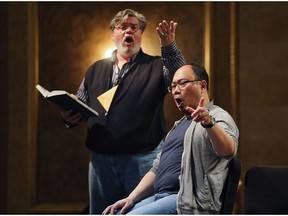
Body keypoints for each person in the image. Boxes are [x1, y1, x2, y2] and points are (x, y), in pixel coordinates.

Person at [60, 8, 185, 214]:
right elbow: (81, 104)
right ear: (113, 34)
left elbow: (180, 78)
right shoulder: (95, 69)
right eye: (123, 27)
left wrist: (169, 47)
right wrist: (68, 117)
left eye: (134, 28)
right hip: (101, 163)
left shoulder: (156, 65)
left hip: (142, 161)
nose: (129, 31)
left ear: (140, 35)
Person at [102, 62, 239, 215]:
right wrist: (131, 198)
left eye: (182, 83)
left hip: (187, 202)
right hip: (159, 197)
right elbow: (156, 169)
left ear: (202, 85)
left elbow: (228, 150)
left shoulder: (218, 116)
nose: (175, 90)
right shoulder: (178, 126)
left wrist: (209, 123)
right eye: (172, 86)